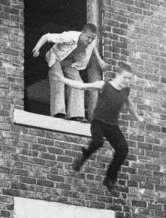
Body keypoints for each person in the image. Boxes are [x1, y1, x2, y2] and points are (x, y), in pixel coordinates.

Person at [57, 64, 142, 194]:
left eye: (129, 79)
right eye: (125, 78)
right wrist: (63, 80)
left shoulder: (125, 91)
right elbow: (82, 86)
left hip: (112, 126)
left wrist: (138, 117)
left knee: (123, 150)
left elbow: (130, 106)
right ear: (118, 75)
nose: (127, 81)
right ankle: (82, 158)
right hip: (98, 123)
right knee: (98, 142)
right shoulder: (104, 85)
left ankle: (110, 177)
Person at [32, 24, 106, 120]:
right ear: (82, 33)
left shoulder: (90, 41)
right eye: (88, 37)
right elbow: (47, 37)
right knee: (59, 79)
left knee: (78, 83)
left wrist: (100, 61)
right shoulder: (69, 36)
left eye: (92, 38)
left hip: (69, 62)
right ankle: (58, 112)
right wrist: (37, 48)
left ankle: (76, 114)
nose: (90, 41)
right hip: (56, 57)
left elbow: (93, 47)